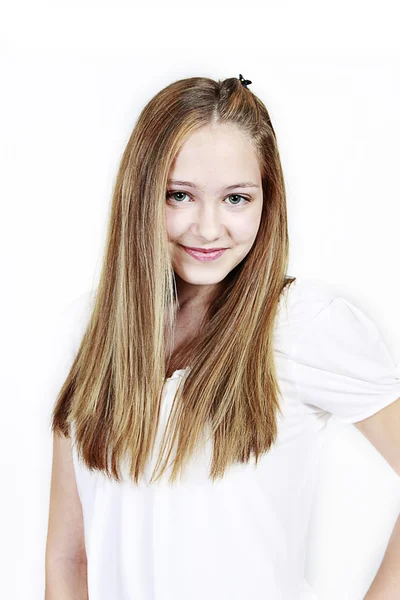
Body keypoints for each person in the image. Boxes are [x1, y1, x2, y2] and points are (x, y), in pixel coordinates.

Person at [45, 75, 400, 599]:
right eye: (179, 195)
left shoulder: (301, 325)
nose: (208, 229)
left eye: (236, 198)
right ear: (140, 196)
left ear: (266, 201)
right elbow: (68, 556)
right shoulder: (96, 329)